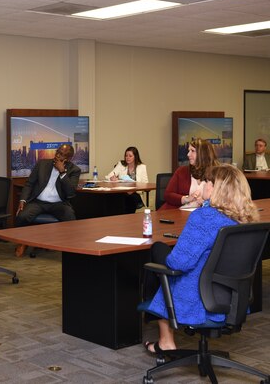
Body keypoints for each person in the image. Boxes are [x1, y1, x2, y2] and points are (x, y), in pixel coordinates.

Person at [143, 164, 259, 354]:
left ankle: (164, 338)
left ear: (214, 187)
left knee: (160, 255)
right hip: (233, 296)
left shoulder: (204, 217)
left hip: (199, 296)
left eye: (205, 181)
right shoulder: (246, 219)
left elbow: (179, 263)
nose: (202, 184)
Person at [14, 143, 81, 257]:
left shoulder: (74, 170)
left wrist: (62, 172)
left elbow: (70, 193)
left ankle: (70, 248)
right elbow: (29, 184)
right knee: (22, 215)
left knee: (70, 216)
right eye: (58, 152)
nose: (58, 156)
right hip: (38, 202)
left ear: (68, 158)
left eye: (62, 155)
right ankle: (22, 242)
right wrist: (23, 200)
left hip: (58, 204)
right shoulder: (42, 164)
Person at [159, 138, 219, 210]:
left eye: (192, 151)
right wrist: (187, 199)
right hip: (176, 213)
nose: (188, 154)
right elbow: (167, 195)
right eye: (188, 151)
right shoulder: (182, 171)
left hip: (202, 215)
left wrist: (205, 203)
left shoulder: (216, 174)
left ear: (203, 154)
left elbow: (223, 201)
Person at [105, 146, 148, 213]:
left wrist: (134, 188)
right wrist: (112, 178)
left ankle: (128, 218)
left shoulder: (142, 167)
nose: (127, 158)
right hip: (122, 192)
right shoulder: (121, 164)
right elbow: (108, 176)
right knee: (115, 197)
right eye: (126, 156)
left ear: (135, 157)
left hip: (135, 193)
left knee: (129, 198)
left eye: (130, 156)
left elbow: (146, 184)